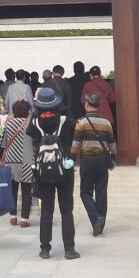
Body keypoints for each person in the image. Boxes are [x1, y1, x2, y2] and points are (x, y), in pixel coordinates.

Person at [27, 87, 79, 260]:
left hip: (42, 173)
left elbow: (30, 140)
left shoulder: (34, 124)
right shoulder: (66, 121)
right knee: (66, 210)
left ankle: (45, 248)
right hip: (65, 170)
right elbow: (75, 136)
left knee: (46, 211)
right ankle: (69, 248)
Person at [72, 93, 117, 236]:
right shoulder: (106, 122)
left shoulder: (81, 122)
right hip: (103, 159)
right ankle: (100, 224)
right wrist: (113, 159)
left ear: (86, 104)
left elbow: (76, 144)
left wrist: (71, 160)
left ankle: (96, 218)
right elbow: (113, 144)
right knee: (101, 192)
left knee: (85, 192)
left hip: (88, 159)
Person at [0, 100, 34, 228]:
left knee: (13, 189)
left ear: (15, 111)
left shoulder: (9, 124)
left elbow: (2, 143)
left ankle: (13, 216)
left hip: (11, 161)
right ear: (27, 111)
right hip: (28, 160)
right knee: (27, 190)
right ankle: (24, 219)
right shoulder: (31, 124)